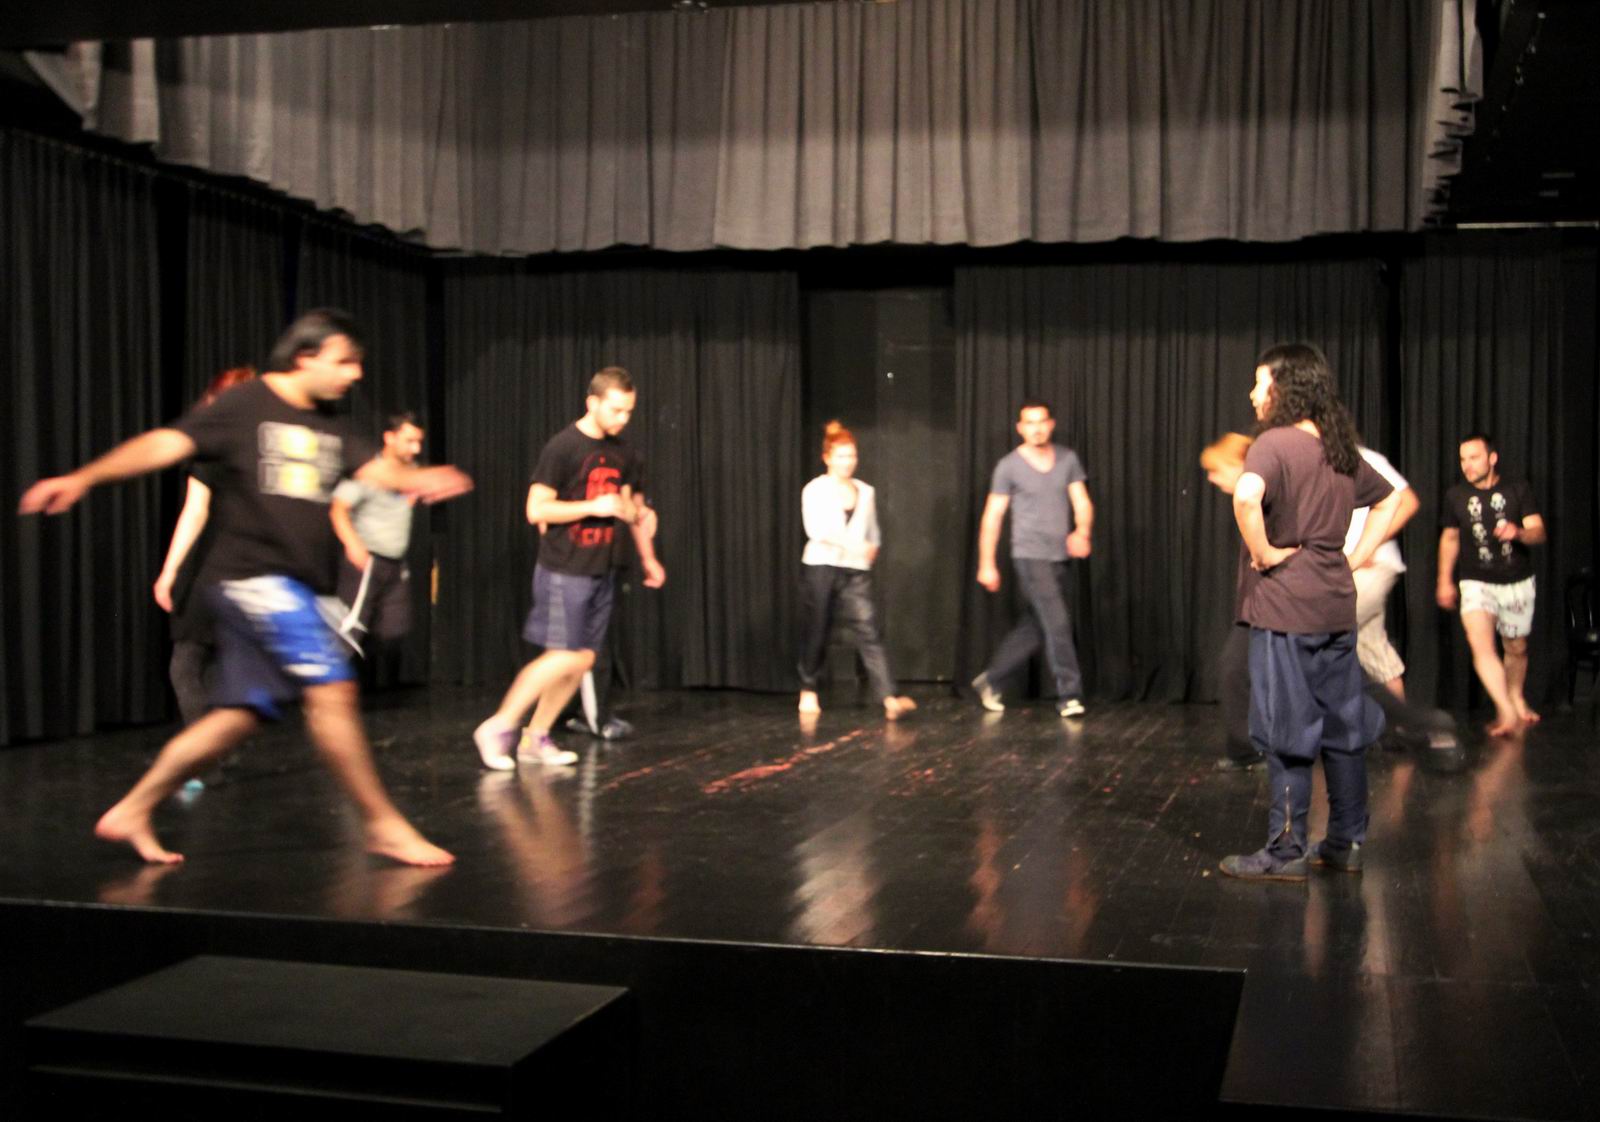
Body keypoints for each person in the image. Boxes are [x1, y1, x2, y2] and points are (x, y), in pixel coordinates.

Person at [19, 309, 472, 866]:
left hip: (296, 586)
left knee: (237, 716)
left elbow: (374, 471)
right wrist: (84, 477)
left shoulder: (331, 422)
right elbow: (165, 444)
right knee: (332, 689)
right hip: (254, 579)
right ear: (305, 357)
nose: (355, 374)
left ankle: (134, 808)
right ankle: (383, 826)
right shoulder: (245, 404)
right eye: (344, 362)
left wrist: (419, 478)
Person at [1219, 343, 1402, 882]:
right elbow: (1389, 499)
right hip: (1334, 606)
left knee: (1286, 731)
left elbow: (1246, 497)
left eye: (1260, 383)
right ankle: (1344, 841)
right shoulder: (1337, 446)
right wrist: (1355, 557)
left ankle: (1285, 850)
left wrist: (1263, 553)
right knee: (1343, 730)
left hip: (1286, 610)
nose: (1253, 394)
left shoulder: (1273, 443)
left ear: (1284, 387)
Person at [473, 367, 665, 771]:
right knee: (563, 656)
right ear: (592, 403)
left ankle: (536, 737)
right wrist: (592, 506)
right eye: (615, 410)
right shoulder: (563, 447)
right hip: (565, 568)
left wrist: (646, 544)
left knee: (582, 660)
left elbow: (631, 508)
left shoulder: (625, 453)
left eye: (629, 411)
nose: (623, 419)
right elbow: (536, 509)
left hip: (604, 569)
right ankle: (499, 725)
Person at [970, 400, 1094, 718]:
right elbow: (993, 516)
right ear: (1020, 428)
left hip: (1059, 556)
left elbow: (1081, 501)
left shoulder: (1067, 459)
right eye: (1030, 423)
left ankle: (991, 679)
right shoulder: (1009, 466)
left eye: (1041, 422)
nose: (1036, 428)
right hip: (1029, 555)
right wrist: (986, 562)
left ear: (1051, 424)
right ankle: (1069, 694)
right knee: (1058, 621)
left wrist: (1082, 532)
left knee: (1038, 626)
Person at [152, 365, 258, 726]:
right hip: (251, 568)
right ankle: (216, 745)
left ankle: (204, 749)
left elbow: (195, 512)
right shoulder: (265, 454)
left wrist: (169, 571)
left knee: (187, 665)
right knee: (213, 664)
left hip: (214, 567)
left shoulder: (213, 451)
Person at [797, 421, 917, 720]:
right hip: (821, 566)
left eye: (851, 456)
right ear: (827, 458)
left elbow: (872, 529)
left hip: (854, 569)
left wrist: (872, 545)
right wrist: (854, 544)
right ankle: (808, 688)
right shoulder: (815, 489)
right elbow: (816, 530)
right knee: (818, 628)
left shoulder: (865, 491)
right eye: (841, 456)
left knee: (868, 628)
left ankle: (889, 697)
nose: (847, 462)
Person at [1436, 432, 1546, 737]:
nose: (1467, 465)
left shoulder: (1517, 489)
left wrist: (1517, 532)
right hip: (1475, 581)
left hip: (1516, 581)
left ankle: (1515, 697)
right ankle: (1506, 711)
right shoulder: (1456, 496)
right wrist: (1444, 580)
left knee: (1516, 647)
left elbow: (1538, 532)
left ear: (1492, 458)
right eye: (1463, 459)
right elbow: (1450, 537)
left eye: (1474, 458)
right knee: (1481, 645)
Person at [331, 411, 425, 661]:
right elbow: (338, 509)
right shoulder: (370, 471)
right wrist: (353, 544)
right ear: (389, 438)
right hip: (367, 561)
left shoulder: (414, 471)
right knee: (348, 632)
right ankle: (325, 678)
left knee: (394, 630)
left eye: (418, 442)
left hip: (396, 564)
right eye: (409, 441)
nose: (416, 448)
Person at [1200, 433, 1262, 772]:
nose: (1212, 479)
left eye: (1217, 470)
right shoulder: (1247, 502)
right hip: (1254, 606)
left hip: (1272, 604)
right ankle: (1245, 749)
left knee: (1235, 669)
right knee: (1235, 669)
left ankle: (1248, 749)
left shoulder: (1262, 499)